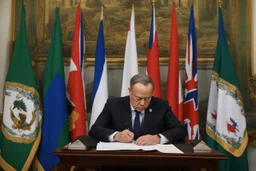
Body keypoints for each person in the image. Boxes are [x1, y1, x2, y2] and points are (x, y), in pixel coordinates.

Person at [89, 74, 187, 145]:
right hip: (120, 161)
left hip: (152, 161)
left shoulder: (161, 105)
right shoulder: (114, 104)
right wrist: (116, 136)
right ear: (130, 92)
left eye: (147, 98)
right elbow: (95, 130)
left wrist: (157, 138)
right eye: (138, 98)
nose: (143, 103)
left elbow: (180, 130)